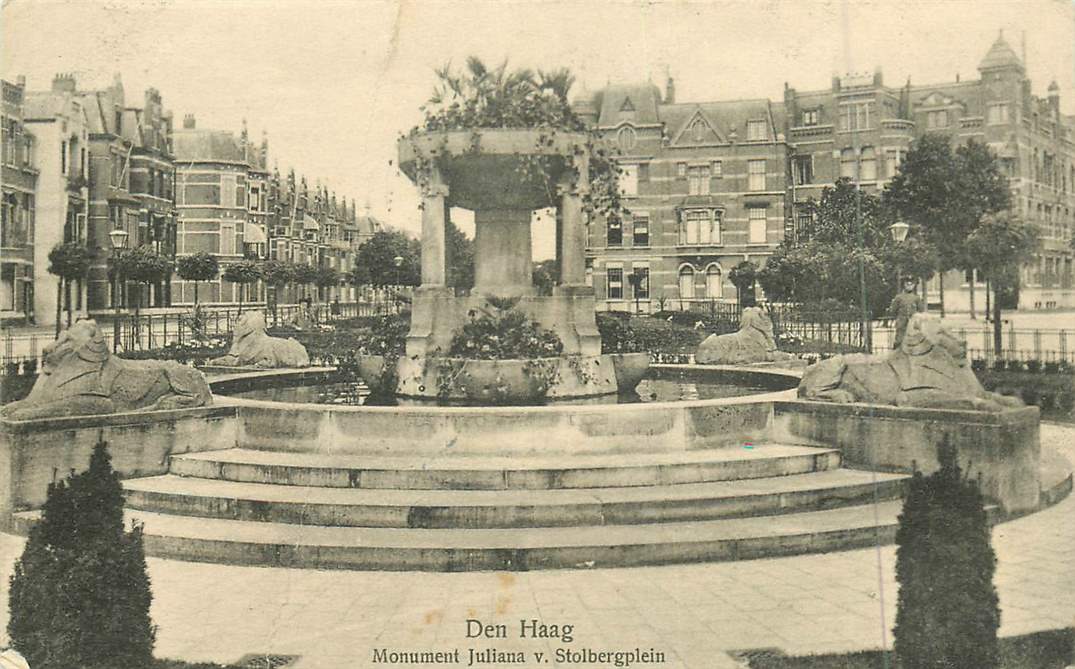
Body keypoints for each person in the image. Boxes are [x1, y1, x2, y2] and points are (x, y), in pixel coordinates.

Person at [887, 277, 925, 350]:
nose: (909, 286)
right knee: (899, 340)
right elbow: (893, 310)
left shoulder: (916, 298)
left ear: (914, 286)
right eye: (907, 284)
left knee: (913, 340)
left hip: (913, 323)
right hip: (901, 322)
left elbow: (921, 310)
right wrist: (897, 318)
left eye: (911, 284)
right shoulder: (899, 297)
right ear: (904, 285)